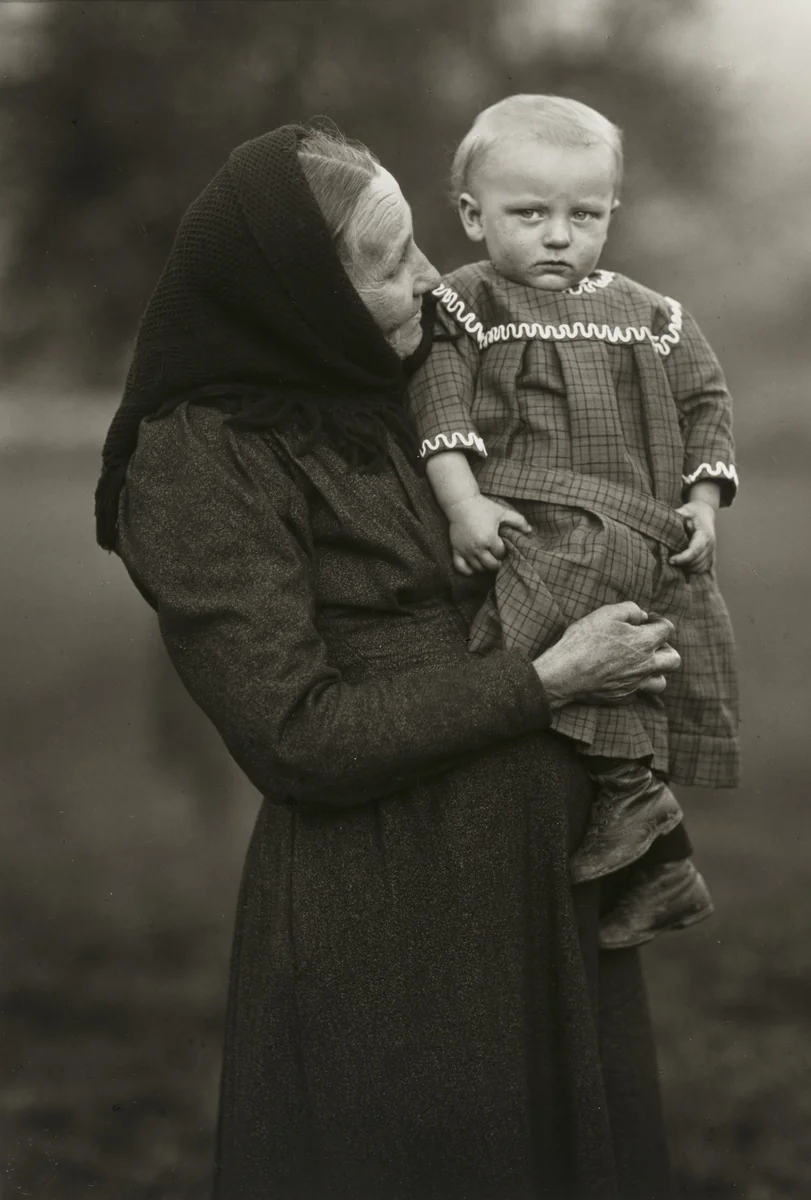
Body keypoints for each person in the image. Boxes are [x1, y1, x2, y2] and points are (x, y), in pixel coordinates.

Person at [96, 123, 683, 1200]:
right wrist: (550, 680)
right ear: (301, 297)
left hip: (538, 883)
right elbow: (296, 736)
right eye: (387, 264)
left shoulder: (401, 385)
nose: (429, 278)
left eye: (420, 244)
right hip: (396, 909)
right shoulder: (198, 460)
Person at [408, 94, 740, 948]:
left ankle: (633, 800)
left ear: (611, 214)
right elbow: (438, 408)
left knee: (522, 657)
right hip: (524, 514)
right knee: (533, 660)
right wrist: (464, 502)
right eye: (530, 214)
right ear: (474, 217)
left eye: (583, 215)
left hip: (616, 528)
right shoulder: (462, 305)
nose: (558, 235)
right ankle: (652, 850)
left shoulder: (654, 317)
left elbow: (706, 403)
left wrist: (702, 502)